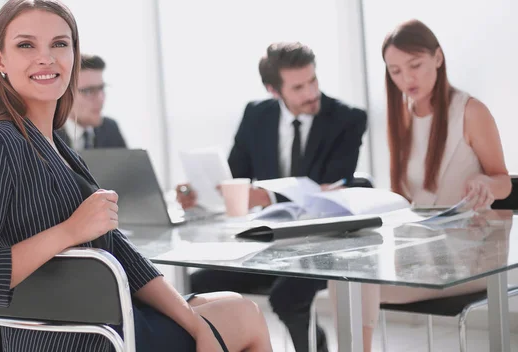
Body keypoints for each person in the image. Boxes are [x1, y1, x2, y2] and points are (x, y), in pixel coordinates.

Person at [0, 0, 272, 352]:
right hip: (70, 338)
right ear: (0, 59)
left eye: (59, 44)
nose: (45, 57)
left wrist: (195, 324)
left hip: (94, 322)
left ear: (73, 56)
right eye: (26, 45)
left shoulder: (56, 148)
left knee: (222, 301)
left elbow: (121, 254)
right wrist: (70, 231)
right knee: (246, 315)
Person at [328, 19, 511, 352]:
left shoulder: (470, 111)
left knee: (353, 281)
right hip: (423, 250)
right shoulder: (401, 114)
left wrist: (485, 182)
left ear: (438, 58)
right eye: (395, 71)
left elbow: (505, 183)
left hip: (473, 253)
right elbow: (406, 200)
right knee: (343, 273)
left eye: (415, 66)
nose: (406, 79)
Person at [177, 42, 368, 352]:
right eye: (299, 87)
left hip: (321, 243)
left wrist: (265, 196)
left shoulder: (347, 119)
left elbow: (329, 188)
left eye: (313, 81)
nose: (311, 93)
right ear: (274, 90)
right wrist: (198, 193)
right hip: (266, 243)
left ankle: (314, 347)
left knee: (286, 295)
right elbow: (234, 177)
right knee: (195, 286)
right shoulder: (256, 115)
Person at [56, 54, 127, 150]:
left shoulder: (110, 129)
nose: (101, 98)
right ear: (64, 95)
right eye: (88, 91)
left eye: (101, 88)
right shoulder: (45, 135)